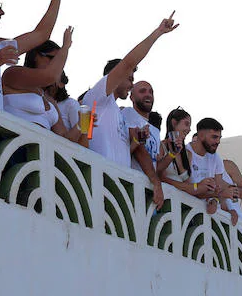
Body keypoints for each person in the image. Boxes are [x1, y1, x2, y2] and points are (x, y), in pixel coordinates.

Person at [77, 15, 181, 203]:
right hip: (96, 186)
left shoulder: (117, 112)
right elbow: (128, 62)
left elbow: (133, 151)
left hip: (118, 191)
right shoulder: (98, 97)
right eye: (130, 79)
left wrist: (155, 182)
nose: (131, 85)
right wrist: (157, 33)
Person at [2, 32, 87, 145]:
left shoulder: (50, 101)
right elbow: (49, 76)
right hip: (12, 146)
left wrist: (83, 123)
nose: (56, 66)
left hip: (39, 156)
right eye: (52, 58)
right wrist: (66, 47)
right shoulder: (12, 73)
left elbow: (65, 140)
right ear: (35, 56)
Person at [189, 117, 242, 220]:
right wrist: (219, 194)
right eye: (214, 137)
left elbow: (218, 189)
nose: (218, 141)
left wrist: (228, 209)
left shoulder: (215, 158)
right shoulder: (186, 153)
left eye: (219, 138)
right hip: (186, 211)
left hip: (206, 217)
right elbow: (186, 189)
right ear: (201, 135)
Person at [123, 81, 163, 178]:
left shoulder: (155, 131)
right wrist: (137, 141)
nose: (148, 95)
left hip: (149, 185)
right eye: (142, 91)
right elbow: (135, 152)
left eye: (151, 92)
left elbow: (156, 167)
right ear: (131, 97)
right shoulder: (128, 113)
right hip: (132, 180)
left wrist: (172, 154)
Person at [156, 108, 194, 191]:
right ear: (174, 123)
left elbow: (188, 184)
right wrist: (171, 154)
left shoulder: (188, 154)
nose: (189, 129)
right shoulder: (161, 145)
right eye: (186, 124)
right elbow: (158, 172)